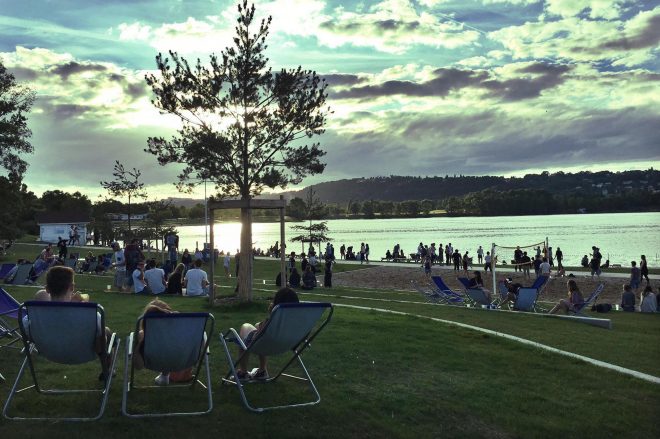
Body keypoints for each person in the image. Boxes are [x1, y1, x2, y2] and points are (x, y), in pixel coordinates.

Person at [31, 266, 112, 379]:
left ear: (47, 289)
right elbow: (99, 336)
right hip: (82, 353)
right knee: (106, 331)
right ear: (72, 287)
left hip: (48, 351)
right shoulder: (89, 313)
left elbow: (27, 331)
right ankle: (106, 370)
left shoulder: (37, 313)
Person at [233, 287, 300, 380]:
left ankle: (243, 372)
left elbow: (263, 330)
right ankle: (262, 371)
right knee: (257, 325)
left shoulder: (277, 313)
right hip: (288, 344)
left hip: (267, 343)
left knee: (245, 327)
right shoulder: (297, 319)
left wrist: (271, 313)